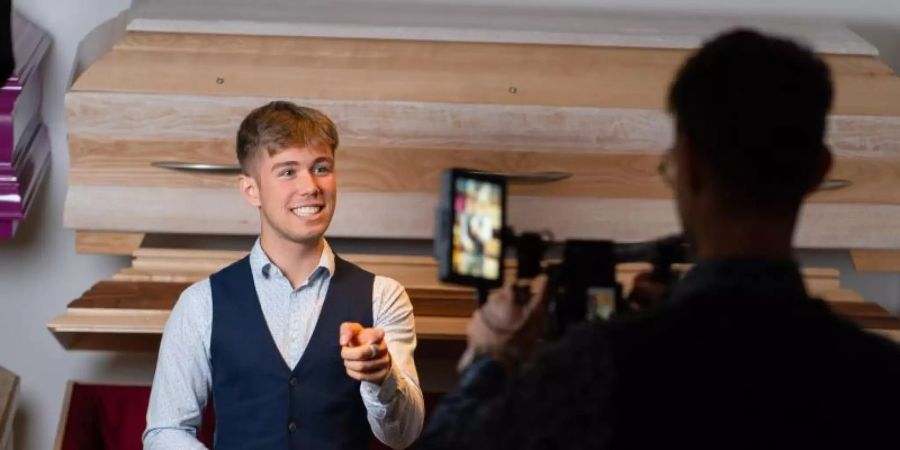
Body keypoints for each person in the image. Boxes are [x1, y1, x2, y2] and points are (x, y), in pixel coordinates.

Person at [418, 29, 900, 449]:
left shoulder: (600, 367)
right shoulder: (878, 378)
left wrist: (492, 354)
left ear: (687, 166)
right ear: (819, 170)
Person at [144, 102, 425, 449]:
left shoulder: (383, 296)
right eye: (288, 172)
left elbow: (403, 436)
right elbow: (166, 430)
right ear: (251, 190)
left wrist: (382, 378)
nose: (310, 187)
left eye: (321, 168)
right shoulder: (201, 303)